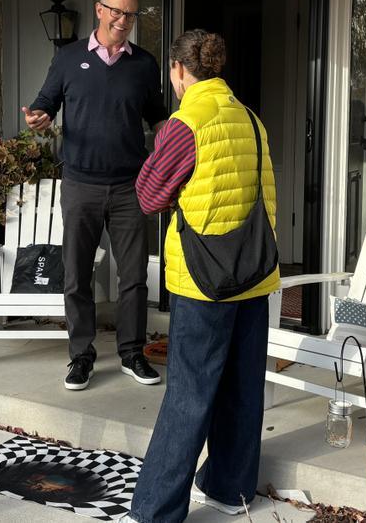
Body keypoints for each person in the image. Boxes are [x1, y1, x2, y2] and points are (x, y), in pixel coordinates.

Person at [128, 30, 280, 522]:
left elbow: (150, 196)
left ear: (178, 70)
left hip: (204, 280)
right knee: (242, 386)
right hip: (253, 274)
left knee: (189, 395)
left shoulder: (185, 122)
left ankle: (155, 510)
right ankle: (230, 489)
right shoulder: (251, 119)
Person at [23, 0, 169, 391]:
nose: (124, 21)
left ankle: (131, 353)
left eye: (131, 15)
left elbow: (157, 118)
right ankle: (81, 357)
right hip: (81, 184)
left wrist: (173, 141)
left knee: (135, 276)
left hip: (129, 188)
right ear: (99, 10)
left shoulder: (143, 64)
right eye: (117, 12)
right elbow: (45, 105)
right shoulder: (69, 59)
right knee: (76, 275)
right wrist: (38, 118)